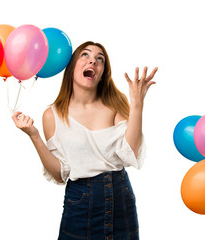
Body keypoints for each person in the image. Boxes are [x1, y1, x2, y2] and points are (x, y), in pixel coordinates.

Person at [12, 41, 157, 240]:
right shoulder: (52, 115)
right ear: (72, 67)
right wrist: (34, 136)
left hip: (120, 199)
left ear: (102, 73)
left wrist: (137, 105)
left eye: (100, 59)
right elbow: (58, 174)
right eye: (85, 55)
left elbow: (131, 153)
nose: (93, 61)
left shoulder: (115, 104)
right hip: (80, 203)